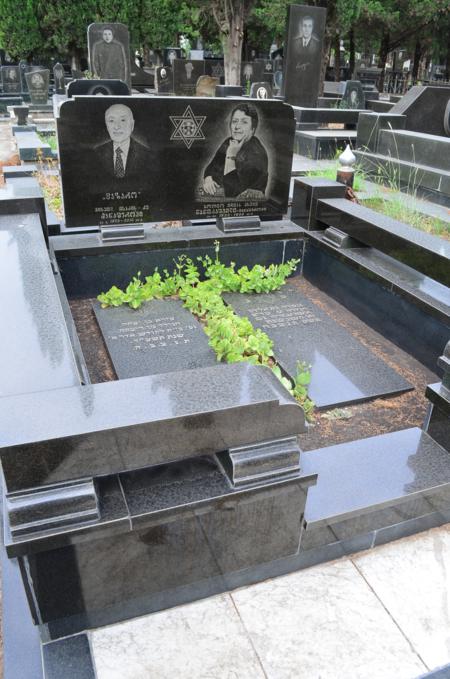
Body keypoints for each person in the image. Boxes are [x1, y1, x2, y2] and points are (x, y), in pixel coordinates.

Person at [203, 104, 268, 198]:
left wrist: (230, 155)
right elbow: (211, 167)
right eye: (234, 121)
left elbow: (232, 193)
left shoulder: (257, 154)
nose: (237, 127)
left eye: (244, 122)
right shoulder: (229, 142)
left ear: (252, 129)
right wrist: (208, 178)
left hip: (242, 206)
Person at [93, 104, 150, 184]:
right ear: (107, 126)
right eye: (111, 121)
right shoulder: (96, 153)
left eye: (123, 120)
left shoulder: (146, 154)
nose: (117, 127)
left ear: (132, 125)